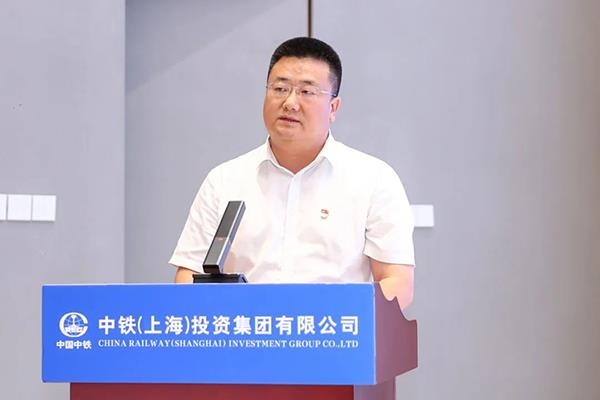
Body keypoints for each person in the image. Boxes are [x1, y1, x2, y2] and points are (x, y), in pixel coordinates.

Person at [170, 37, 415, 309]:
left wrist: (328, 320)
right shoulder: (224, 181)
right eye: (280, 88)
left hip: (332, 331)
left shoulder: (374, 180)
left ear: (333, 108)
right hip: (243, 331)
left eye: (307, 92)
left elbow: (397, 284)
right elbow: (188, 275)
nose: (290, 103)